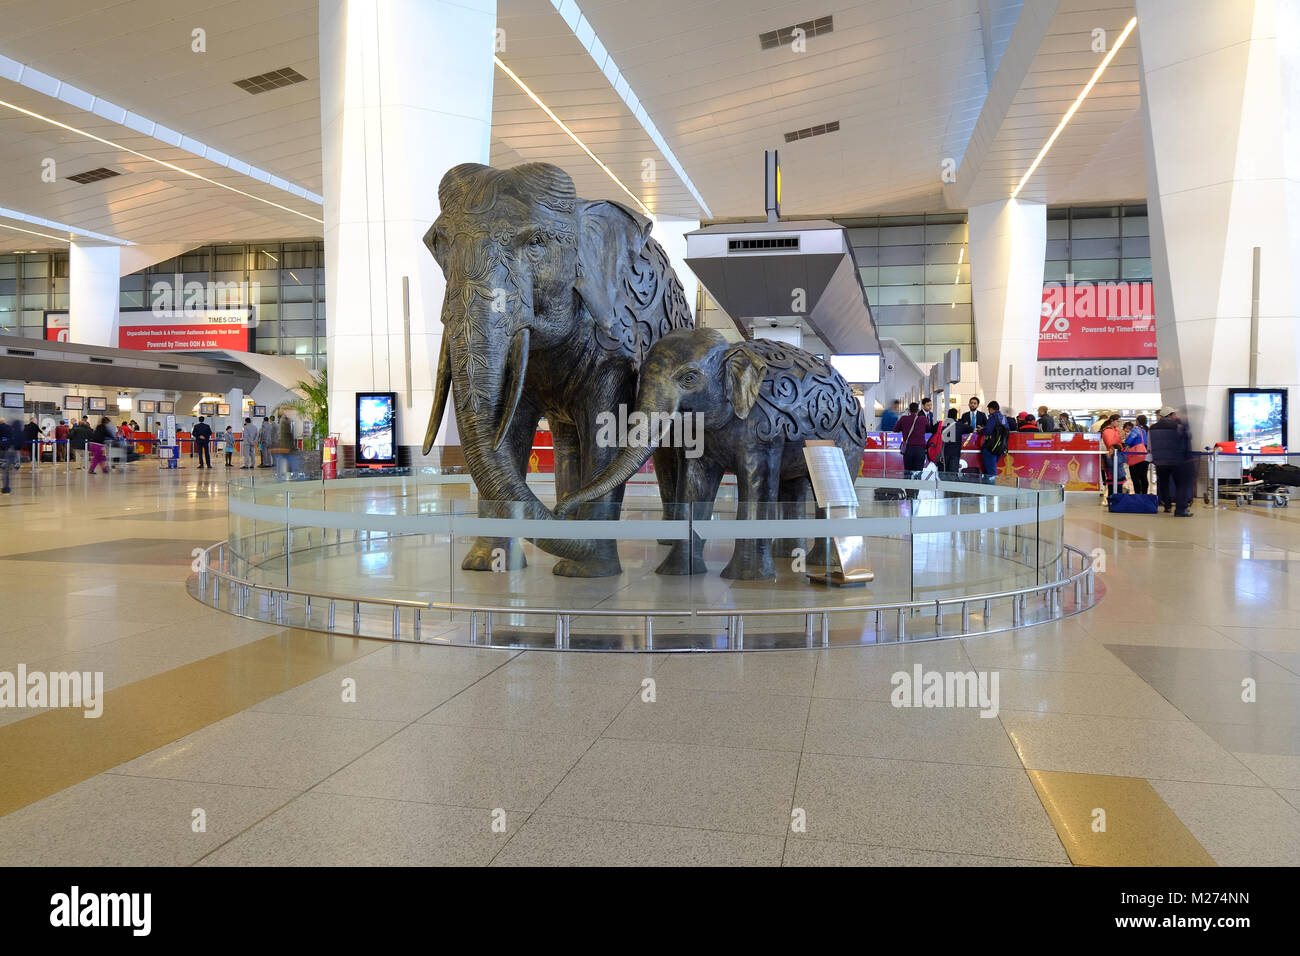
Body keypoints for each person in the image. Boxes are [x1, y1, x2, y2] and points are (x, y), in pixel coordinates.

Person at [1149, 406, 1195, 515]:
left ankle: (1167, 506)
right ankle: (1180, 507)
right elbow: (1183, 441)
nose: (1175, 416)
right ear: (1170, 415)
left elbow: (1150, 445)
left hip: (1159, 461)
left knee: (1163, 483)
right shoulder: (1177, 426)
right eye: (1173, 414)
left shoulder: (1152, 428)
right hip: (1174, 459)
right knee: (1178, 483)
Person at [893, 401, 930, 473]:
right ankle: (918, 484)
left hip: (908, 450)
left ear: (909, 410)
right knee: (918, 473)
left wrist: (904, 428)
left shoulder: (903, 419)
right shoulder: (923, 419)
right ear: (918, 410)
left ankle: (908, 483)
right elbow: (928, 430)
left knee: (908, 472)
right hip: (920, 450)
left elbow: (895, 429)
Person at [980, 401, 1010, 476]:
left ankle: (992, 487)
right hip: (1001, 447)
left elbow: (988, 431)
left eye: (989, 410)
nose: (989, 412)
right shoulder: (1003, 418)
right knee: (990, 469)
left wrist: (981, 430)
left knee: (991, 472)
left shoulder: (993, 417)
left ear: (991, 409)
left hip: (991, 447)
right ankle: (988, 486)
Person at [1124, 417, 1151, 495]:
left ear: (1137, 421)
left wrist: (1125, 441)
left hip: (1136, 456)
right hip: (1146, 455)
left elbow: (1129, 441)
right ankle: (1144, 495)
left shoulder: (1136, 429)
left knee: (1135, 477)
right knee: (1144, 476)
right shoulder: (1148, 429)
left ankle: (1138, 495)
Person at [1099, 413, 1126, 492]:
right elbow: (1111, 444)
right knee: (1115, 477)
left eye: (1119, 422)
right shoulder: (1107, 431)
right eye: (1117, 421)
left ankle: (1116, 498)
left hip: (1115, 456)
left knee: (1118, 477)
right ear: (1112, 421)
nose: (1119, 423)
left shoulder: (1114, 430)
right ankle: (1114, 498)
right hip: (1112, 456)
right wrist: (1119, 436)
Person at [940, 407, 969, 473]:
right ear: (956, 416)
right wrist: (965, 424)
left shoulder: (942, 425)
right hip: (955, 453)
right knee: (953, 473)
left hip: (945, 452)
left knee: (945, 472)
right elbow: (971, 429)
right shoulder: (960, 425)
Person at [0, 417, 20, 493]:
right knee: (7, 466)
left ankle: (6, 487)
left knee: (4, 467)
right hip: (9, 447)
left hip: (2, 447)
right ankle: (14, 464)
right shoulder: (9, 427)